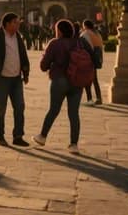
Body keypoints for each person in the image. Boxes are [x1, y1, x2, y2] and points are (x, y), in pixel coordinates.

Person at [33, 19, 89, 154]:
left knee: (53, 110)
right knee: (74, 113)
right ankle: (74, 144)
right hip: (77, 80)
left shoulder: (55, 43)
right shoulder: (79, 42)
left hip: (60, 80)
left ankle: (42, 137)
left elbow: (43, 66)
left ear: (60, 31)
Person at [0, 12, 30, 147]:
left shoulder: (18, 36)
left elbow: (23, 54)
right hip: (2, 78)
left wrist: (26, 73)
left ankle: (18, 136)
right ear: (7, 24)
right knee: (1, 107)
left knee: (20, 106)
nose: (18, 24)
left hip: (16, 78)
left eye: (18, 22)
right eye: (15, 22)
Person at [79, 20, 104, 105]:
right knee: (94, 79)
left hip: (89, 59)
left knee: (87, 80)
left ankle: (89, 99)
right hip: (97, 59)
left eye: (83, 26)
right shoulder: (97, 33)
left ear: (85, 26)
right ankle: (99, 98)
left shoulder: (85, 34)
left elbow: (82, 46)